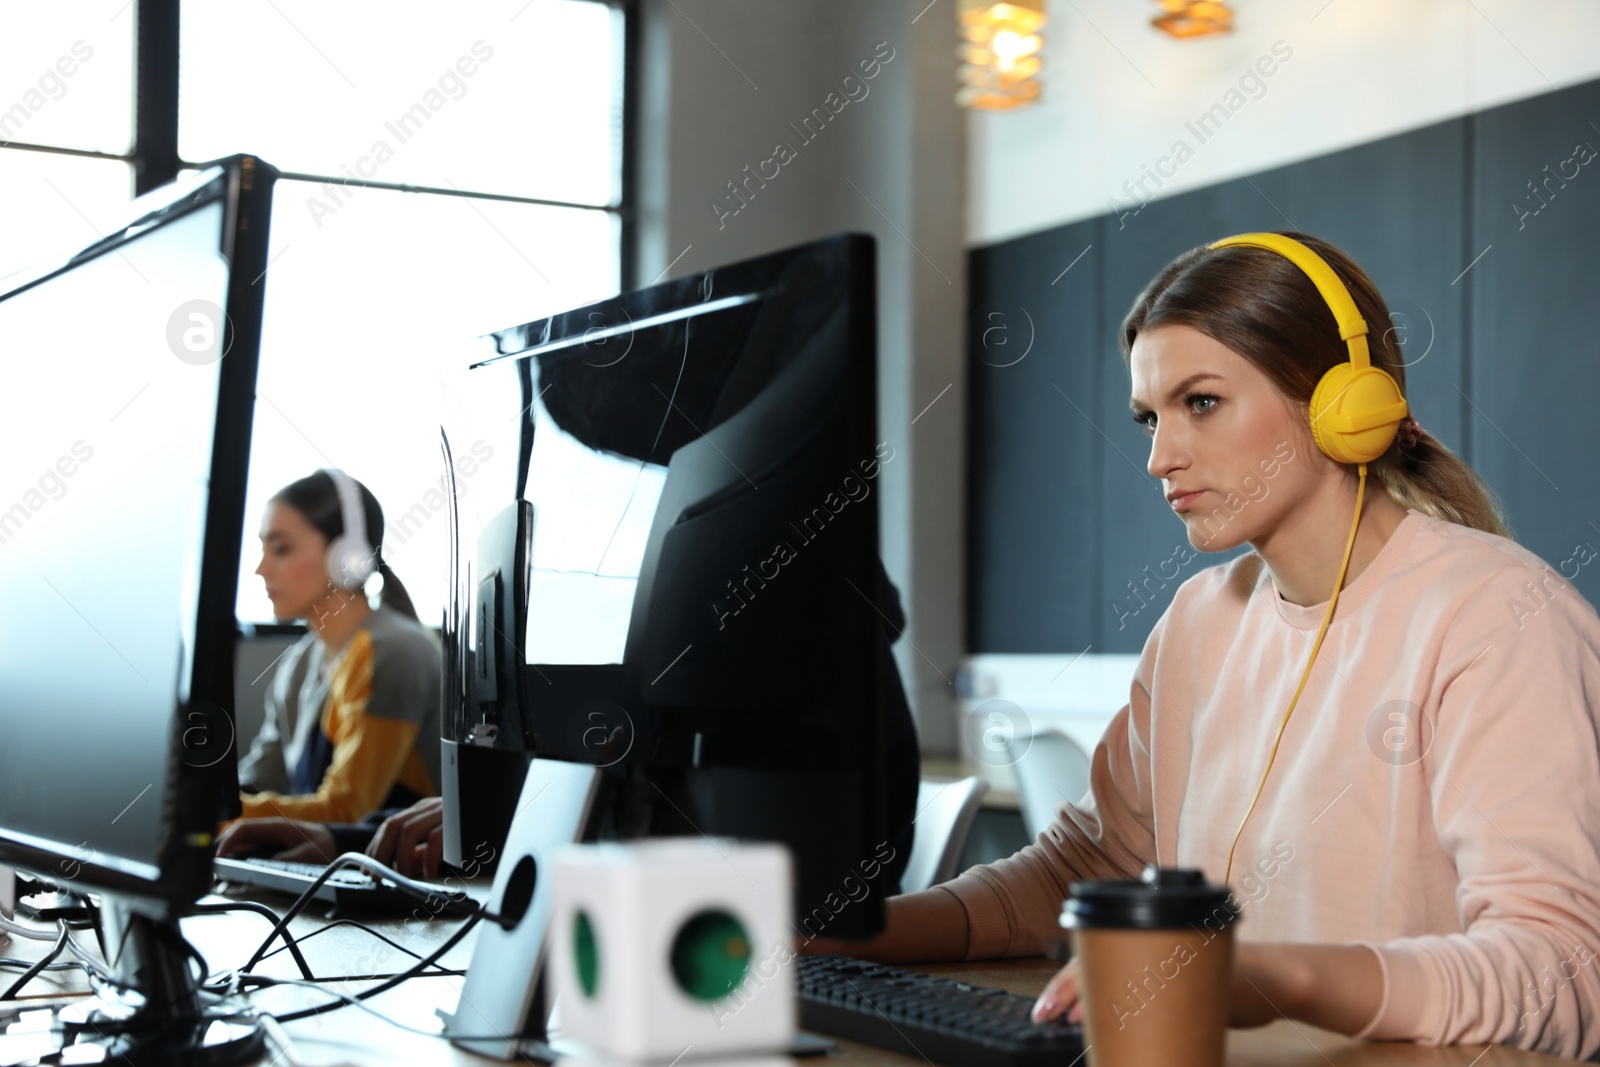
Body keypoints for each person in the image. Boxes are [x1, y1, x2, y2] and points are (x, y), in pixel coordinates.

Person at [804, 231, 1600, 1060]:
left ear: (1342, 402)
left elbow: (1562, 971)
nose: (1158, 456)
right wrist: (858, 933)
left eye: (1202, 402)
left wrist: (1269, 977)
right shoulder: (1196, 621)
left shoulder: (1499, 617)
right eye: (1151, 416)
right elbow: (1083, 868)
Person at [234, 469, 443, 825]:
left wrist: (211, 814)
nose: (260, 568)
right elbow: (259, 782)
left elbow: (347, 812)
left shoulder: (393, 652)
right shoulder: (301, 663)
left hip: (389, 871)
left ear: (347, 557)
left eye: (280, 548)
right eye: (262, 549)